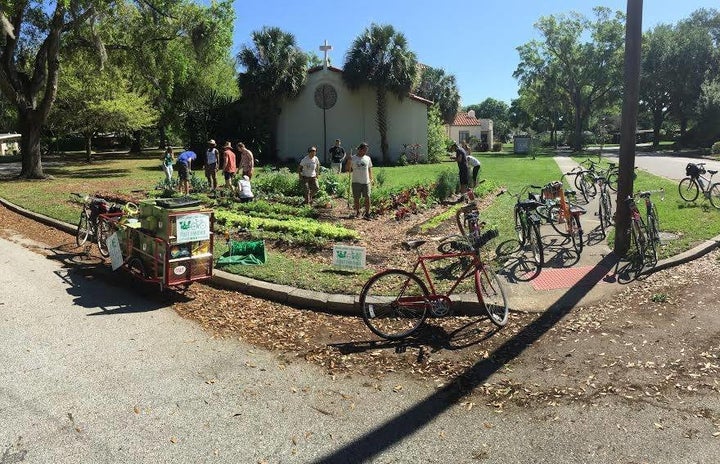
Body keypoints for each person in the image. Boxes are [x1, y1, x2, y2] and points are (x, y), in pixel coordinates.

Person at [346, 142, 373, 219]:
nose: (365, 151)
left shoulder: (368, 158)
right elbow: (348, 169)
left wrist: (371, 178)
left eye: (366, 150)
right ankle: (357, 212)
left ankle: (367, 213)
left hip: (366, 182)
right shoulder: (353, 158)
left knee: (368, 197)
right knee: (356, 198)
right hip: (356, 181)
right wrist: (348, 161)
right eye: (364, 149)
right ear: (360, 149)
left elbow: (369, 169)